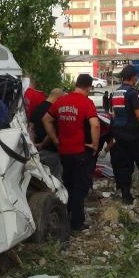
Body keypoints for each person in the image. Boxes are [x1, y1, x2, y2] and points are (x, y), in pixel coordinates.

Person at [43, 74, 100, 232]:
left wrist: (55, 139)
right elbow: (95, 125)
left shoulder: (61, 101)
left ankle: (65, 217)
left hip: (64, 151)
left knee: (67, 184)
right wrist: (95, 145)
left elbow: (46, 119)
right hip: (81, 151)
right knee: (80, 187)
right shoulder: (86, 103)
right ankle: (77, 223)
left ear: (76, 84)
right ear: (88, 87)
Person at [110, 65, 139, 205]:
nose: (137, 78)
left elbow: (115, 113)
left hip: (119, 134)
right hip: (133, 134)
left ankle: (126, 196)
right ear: (132, 77)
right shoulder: (132, 93)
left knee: (125, 166)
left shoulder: (117, 92)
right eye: (136, 76)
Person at [30, 88, 64, 178]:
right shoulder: (53, 111)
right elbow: (52, 132)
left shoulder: (37, 108)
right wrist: (42, 144)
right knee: (54, 181)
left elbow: (30, 128)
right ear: (58, 98)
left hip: (37, 152)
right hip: (51, 151)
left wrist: (33, 145)